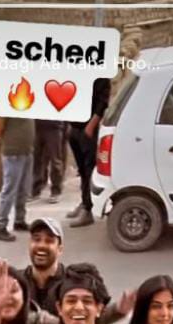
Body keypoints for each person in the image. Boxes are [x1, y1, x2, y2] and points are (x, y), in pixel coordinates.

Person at [22, 217, 134, 320]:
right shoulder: (17, 283)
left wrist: (117, 310)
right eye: (36, 239)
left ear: (60, 249)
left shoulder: (74, 281)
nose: (41, 245)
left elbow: (92, 319)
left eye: (49, 241)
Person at [67, 78, 111, 228]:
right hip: (75, 127)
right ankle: (84, 202)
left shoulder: (100, 75)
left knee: (89, 170)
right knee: (82, 171)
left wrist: (91, 127)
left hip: (87, 129)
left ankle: (88, 209)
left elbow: (102, 103)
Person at [0, 116, 35, 242]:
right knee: (9, 191)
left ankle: (19, 220)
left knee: (23, 189)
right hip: (13, 153)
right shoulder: (8, 107)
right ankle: (1, 226)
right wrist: (9, 140)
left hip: (27, 152)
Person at [32, 121, 66, 203]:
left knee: (55, 160)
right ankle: (35, 189)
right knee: (36, 159)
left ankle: (56, 190)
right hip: (37, 126)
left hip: (54, 127)